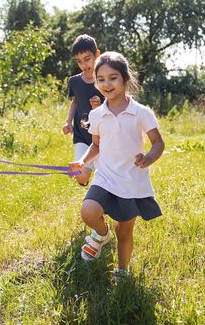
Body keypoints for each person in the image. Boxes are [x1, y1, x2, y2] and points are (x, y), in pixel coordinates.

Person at [69, 51, 164, 280]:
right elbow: (96, 146)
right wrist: (82, 162)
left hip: (131, 182)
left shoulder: (141, 112)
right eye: (101, 79)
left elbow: (158, 143)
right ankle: (102, 234)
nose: (106, 84)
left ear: (124, 78)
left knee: (125, 230)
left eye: (112, 78)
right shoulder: (97, 114)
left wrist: (149, 158)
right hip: (106, 177)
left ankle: (122, 271)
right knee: (88, 210)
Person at [62, 34, 104, 186]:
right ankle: (86, 174)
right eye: (79, 61)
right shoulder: (74, 81)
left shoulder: (105, 80)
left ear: (97, 54)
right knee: (81, 177)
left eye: (87, 59)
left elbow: (115, 106)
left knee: (105, 178)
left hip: (103, 137)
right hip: (82, 135)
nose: (84, 65)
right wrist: (68, 122)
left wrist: (99, 106)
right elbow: (74, 102)